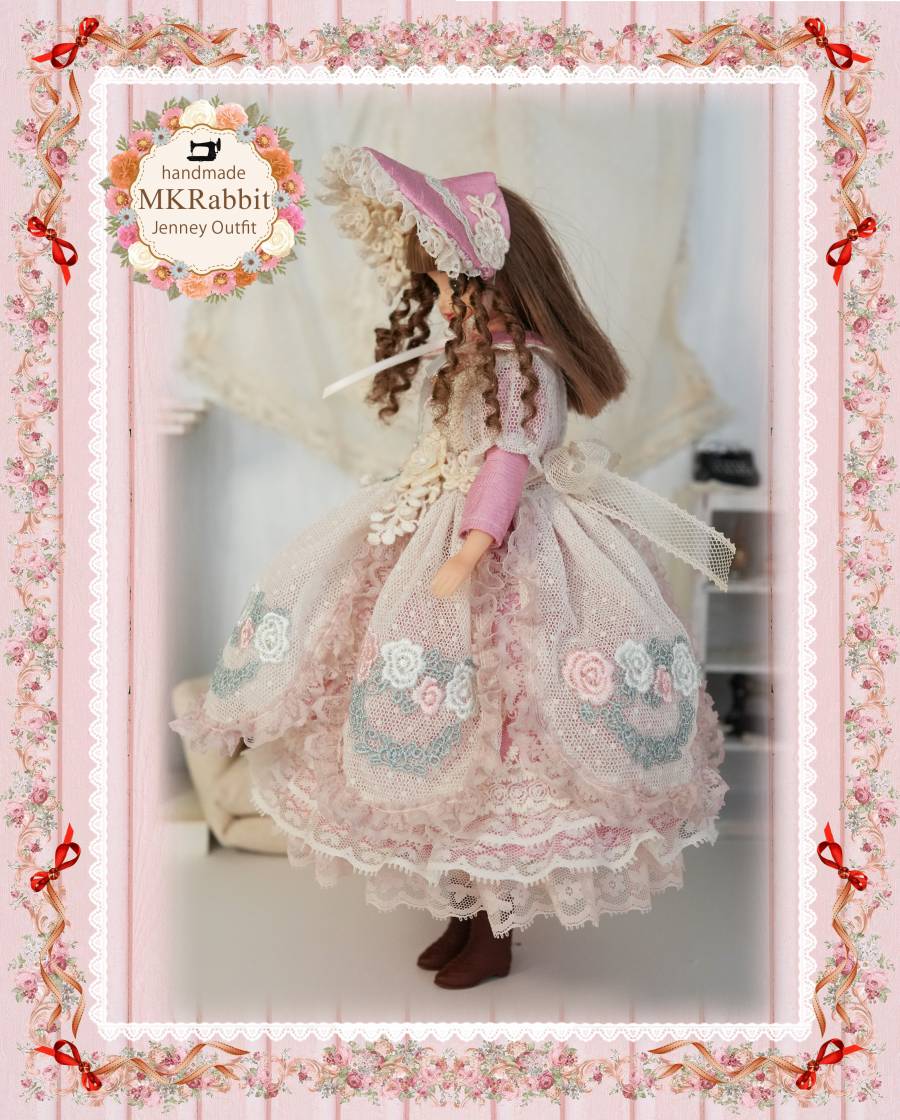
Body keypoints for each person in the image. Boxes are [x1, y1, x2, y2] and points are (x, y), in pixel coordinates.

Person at [171, 146, 734, 989]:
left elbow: (509, 458)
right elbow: (465, 450)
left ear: (483, 280)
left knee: (506, 744)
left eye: (441, 283)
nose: (434, 299)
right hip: (442, 533)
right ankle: (462, 914)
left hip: (512, 559)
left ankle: (495, 932)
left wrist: (471, 545)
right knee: (446, 748)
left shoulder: (523, 366)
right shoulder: (478, 360)